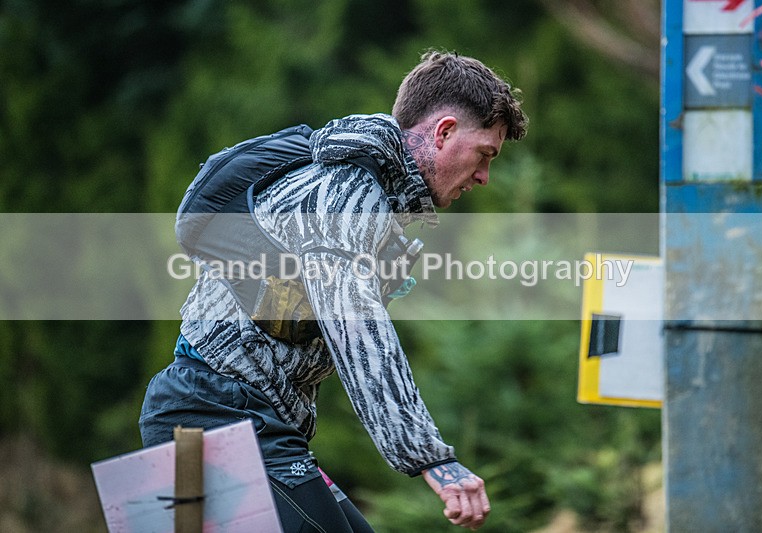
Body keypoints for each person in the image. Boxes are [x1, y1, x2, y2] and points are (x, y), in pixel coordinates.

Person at [139, 50, 527, 531]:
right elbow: (357, 330)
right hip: (214, 416)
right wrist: (431, 459)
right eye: (484, 155)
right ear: (444, 132)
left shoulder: (378, 201)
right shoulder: (346, 192)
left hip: (248, 421)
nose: (485, 177)